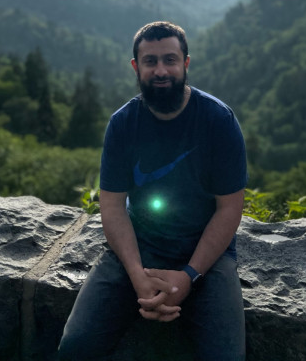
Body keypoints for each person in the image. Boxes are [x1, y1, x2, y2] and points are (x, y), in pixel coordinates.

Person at [58, 21, 247, 361]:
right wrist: (137, 277)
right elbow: (112, 207)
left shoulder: (218, 120)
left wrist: (189, 276)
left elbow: (229, 209)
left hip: (206, 253)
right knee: (76, 347)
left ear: (185, 63)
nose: (161, 70)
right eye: (150, 61)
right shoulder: (123, 124)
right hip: (138, 244)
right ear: (136, 66)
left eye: (170, 60)